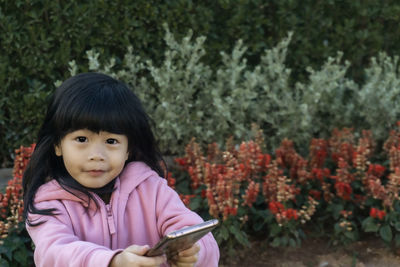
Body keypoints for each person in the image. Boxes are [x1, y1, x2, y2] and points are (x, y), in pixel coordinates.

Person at [22, 72, 219, 267]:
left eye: (111, 141)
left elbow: (198, 235)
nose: (97, 155)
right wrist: (112, 262)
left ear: (128, 149)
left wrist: (193, 252)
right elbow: (54, 254)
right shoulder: (49, 203)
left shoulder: (151, 189)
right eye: (82, 139)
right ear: (58, 145)